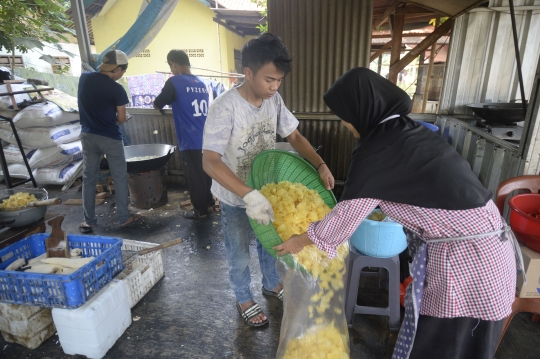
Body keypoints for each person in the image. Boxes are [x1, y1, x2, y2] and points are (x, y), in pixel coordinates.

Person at [274, 68, 519, 358]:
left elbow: (343, 221)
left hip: (466, 266)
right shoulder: (405, 132)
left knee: (443, 348)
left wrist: (298, 241)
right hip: (490, 252)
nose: (343, 122)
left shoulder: (378, 149)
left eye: (344, 113)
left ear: (361, 109)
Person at [202, 33, 334, 327]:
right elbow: (209, 160)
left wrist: (321, 163)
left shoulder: (273, 101)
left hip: (266, 192)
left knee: (269, 244)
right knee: (238, 252)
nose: (274, 87)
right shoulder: (225, 107)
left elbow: (295, 135)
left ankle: (271, 283)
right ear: (248, 73)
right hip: (235, 197)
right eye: (269, 80)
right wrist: (248, 195)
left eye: (279, 81)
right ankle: (243, 297)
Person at [78, 49, 142, 233]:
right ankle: (123, 217)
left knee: (89, 178)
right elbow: (121, 118)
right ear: (117, 69)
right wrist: (120, 116)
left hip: (88, 135)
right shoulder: (116, 89)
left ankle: (89, 220)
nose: (122, 75)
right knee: (120, 177)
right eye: (122, 72)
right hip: (110, 137)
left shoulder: (85, 78)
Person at [153, 50, 214, 219]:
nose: (171, 70)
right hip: (206, 137)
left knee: (194, 176)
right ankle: (208, 201)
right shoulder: (201, 83)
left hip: (190, 139)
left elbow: (157, 104)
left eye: (171, 67)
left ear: (174, 64)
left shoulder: (174, 82)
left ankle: (200, 211)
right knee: (206, 172)